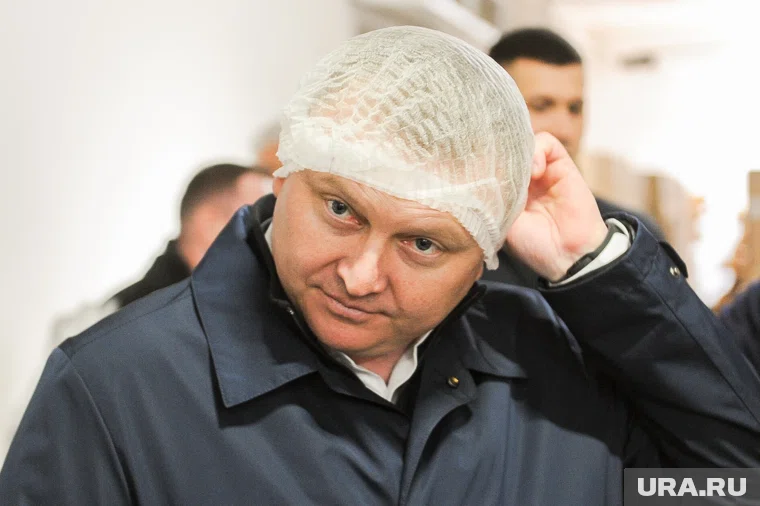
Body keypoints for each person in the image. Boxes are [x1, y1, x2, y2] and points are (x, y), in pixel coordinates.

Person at [2, 26, 758, 505]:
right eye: (341, 210)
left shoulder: (557, 370)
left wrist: (596, 269)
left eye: (422, 244)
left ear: (485, 257)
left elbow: (731, 484)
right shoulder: (118, 389)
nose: (360, 275)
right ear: (283, 178)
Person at [484, 28, 666, 286]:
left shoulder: (627, 237)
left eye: (575, 108)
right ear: (492, 111)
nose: (565, 130)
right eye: (542, 106)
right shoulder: (456, 233)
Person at [51, 163, 272, 342]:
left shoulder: (227, 312)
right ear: (209, 223)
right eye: (261, 220)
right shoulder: (123, 324)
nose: (272, 237)